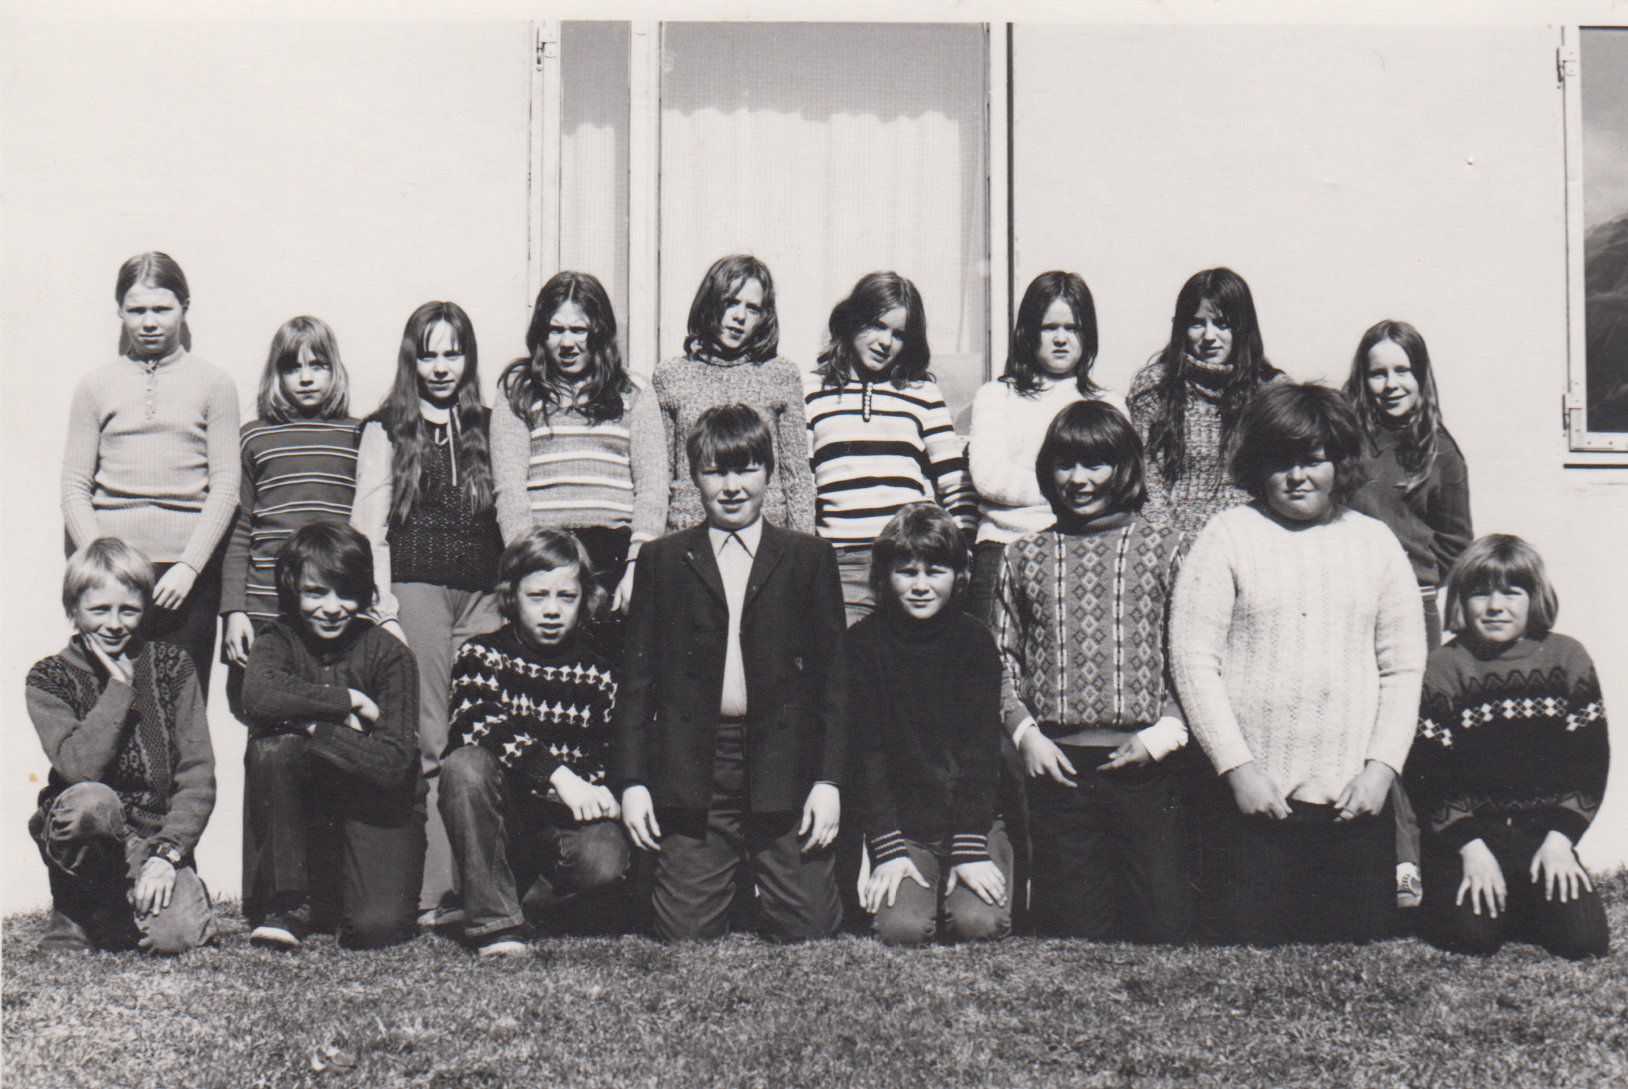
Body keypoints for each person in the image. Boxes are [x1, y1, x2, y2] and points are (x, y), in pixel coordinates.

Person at [1170, 382, 1426, 945]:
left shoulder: (1377, 543)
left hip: (1353, 804)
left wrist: (1380, 772)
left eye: (1313, 460)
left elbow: (1404, 669)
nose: (1297, 477)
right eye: (1281, 462)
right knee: (1245, 936)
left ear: (1339, 463)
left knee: (1357, 939)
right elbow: (1193, 662)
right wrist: (1239, 771)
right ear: (1258, 466)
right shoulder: (1226, 536)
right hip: (1253, 803)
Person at [614, 404, 846, 942]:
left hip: (782, 763)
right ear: (694, 476)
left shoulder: (808, 558)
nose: (733, 486)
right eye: (716, 471)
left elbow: (834, 682)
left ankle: (765, 872)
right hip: (699, 766)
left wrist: (828, 781)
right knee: (684, 930)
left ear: (769, 472)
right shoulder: (663, 559)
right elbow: (636, 684)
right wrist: (633, 783)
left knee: (810, 926)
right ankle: (723, 873)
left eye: (746, 469)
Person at [995, 401, 1193, 941]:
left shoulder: (1166, 548)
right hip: (1059, 769)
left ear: (1123, 468)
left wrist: (1162, 736)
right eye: (1065, 465)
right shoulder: (1024, 556)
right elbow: (1001, 659)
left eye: (1095, 464)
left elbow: (1192, 660)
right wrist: (1027, 737)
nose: (1078, 480)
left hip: (1148, 764)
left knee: (1161, 925)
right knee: (1074, 930)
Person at [351, 301, 504, 920]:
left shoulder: (490, 425)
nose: (441, 367)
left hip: (484, 595)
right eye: (429, 354)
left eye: (453, 353)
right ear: (411, 359)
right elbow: (368, 530)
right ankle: (438, 893)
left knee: (482, 734)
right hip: (418, 591)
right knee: (433, 738)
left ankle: (485, 887)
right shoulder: (386, 427)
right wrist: (385, 611)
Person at [1407, 535, 1610, 960]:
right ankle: (1487, 900)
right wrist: (1471, 849)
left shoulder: (1568, 658)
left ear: (1535, 599)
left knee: (1585, 942)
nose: (1495, 606)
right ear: (1461, 601)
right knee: (1473, 939)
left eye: (1511, 592)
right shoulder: (1445, 666)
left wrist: (1560, 840)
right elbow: (1429, 774)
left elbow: (1590, 765)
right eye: (1480, 593)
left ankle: (1521, 899)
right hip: (1471, 837)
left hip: (1543, 834)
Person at [439, 528, 628, 955]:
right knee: (465, 765)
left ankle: (517, 903)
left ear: (584, 599)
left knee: (605, 859)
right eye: (537, 596)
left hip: (560, 825)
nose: (552, 610)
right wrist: (558, 776)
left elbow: (606, 752)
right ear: (511, 596)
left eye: (567, 597)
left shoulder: (599, 673)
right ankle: (495, 927)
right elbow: (475, 722)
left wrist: (598, 789)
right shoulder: (481, 654)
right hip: (501, 820)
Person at [26, 538, 216, 954]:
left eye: (128, 610)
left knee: (179, 938)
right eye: (99, 610)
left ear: (145, 608)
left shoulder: (173, 666)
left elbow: (198, 773)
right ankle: (74, 907)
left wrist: (167, 855)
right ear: (73, 609)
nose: (114, 624)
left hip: (152, 837)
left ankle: (125, 904)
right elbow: (78, 770)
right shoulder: (49, 677)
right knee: (93, 802)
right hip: (89, 828)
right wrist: (119, 689)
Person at [62, 251, 240, 695]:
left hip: (187, 576)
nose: (149, 322)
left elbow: (225, 488)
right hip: (112, 578)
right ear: (120, 312)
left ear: (184, 307)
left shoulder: (215, 383)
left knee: (180, 703)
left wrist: (189, 567)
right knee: (111, 703)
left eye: (162, 309)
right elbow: (74, 488)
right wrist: (103, 567)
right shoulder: (94, 386)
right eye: (136, 310)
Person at [240, 522, 423, 950]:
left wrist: (312, 726)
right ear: (292, 590)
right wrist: (348, 702)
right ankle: (289, 903)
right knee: (271, 748)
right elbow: (259, 695)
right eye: (316, 592)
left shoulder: (391, 653)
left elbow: (392, 764)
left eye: (346, 593)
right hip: (307, 803)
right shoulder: (278, 638)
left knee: (375, 928)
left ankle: (336, 895)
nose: (332, 608)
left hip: (375, 804)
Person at [1342, 319, 1474, 912]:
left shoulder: (1442, 451)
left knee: (1411, 735)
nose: (1391, 384)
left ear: (1421, 377)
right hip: (1349, 605)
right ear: (1362, 379)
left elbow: (1456, 543)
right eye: (1378, 373)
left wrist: (1410, 581)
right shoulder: (1346, 442)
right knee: (1356, 727)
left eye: (1403, 371)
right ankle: (1362, 858)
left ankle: (1413, 864)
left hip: (1414, 610)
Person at [845, 504, 1010, 944]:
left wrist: (970, 846)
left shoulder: (975, 641)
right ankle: (923, 884)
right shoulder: (863, 644)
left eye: (935, 572)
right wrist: (887, 846)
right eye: (907, 572)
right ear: (885, 576)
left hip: (971, 820)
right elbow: (866, 756)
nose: (920, 586)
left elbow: (983, 752)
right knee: (903, 929)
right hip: (905, 829)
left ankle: (960, 876)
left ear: (958, 576)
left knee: (977, 923)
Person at [491, 272, 664, 630]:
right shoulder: (517, 390)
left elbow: (652, 489)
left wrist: (636, 567)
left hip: (614, 557)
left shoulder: (635, 391)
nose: (567, 343)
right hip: (543, 552)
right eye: (556, 329)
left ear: (599, 331)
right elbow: (510, 491)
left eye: (579, 330)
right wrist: (529, 569)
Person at [804, 271, 978, 625]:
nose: (885, 342)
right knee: (851, 655)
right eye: (877, 326)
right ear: (852, 321)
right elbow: (802, 484)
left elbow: (955, 482)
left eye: (899, 334)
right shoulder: (812, 390)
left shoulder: (921, 393)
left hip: (913, 561)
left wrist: (961, 549)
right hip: (843, 564)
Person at [966, 271, 1122, 627]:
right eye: (1049, 327)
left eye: (1073, 328)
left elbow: (1120, 484)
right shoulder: (997, 395)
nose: (1061, 339)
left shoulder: (1109, 404)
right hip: (1002, 545)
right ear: (1029, 331)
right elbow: (989, 478)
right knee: (987, 655)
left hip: (1082, 548)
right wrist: (1075, 490)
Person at [221, 316, 361, 696]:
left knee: (334, 713)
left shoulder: (358, 435)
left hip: (335, 609)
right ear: (276, 374)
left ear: (335, 369)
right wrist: (234, 611)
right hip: (266, 608)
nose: (306, 378)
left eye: (318, 365)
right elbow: (238, 530)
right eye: (293, 367)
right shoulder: (253, 437)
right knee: (271, 716)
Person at [645, 255, 817, 535]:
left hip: (766, 537)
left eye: (753, 308)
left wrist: (801, 548)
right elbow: (659, 477)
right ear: (710, 302)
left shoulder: (781, 374)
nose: (740, 317)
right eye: (730, 302)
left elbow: (796, 476)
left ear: (764, 317)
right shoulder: (671, 375)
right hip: (691, 534)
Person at [1127, 267, 1282, 540]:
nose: (1209, 336)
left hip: (1251, 538)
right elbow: (1148, 480)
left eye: (1222, 324)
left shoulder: (1272, 392)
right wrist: (1170, 542)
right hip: (1172, 541)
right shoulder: (1153, 388)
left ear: (1243, 327)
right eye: (1197, 323)